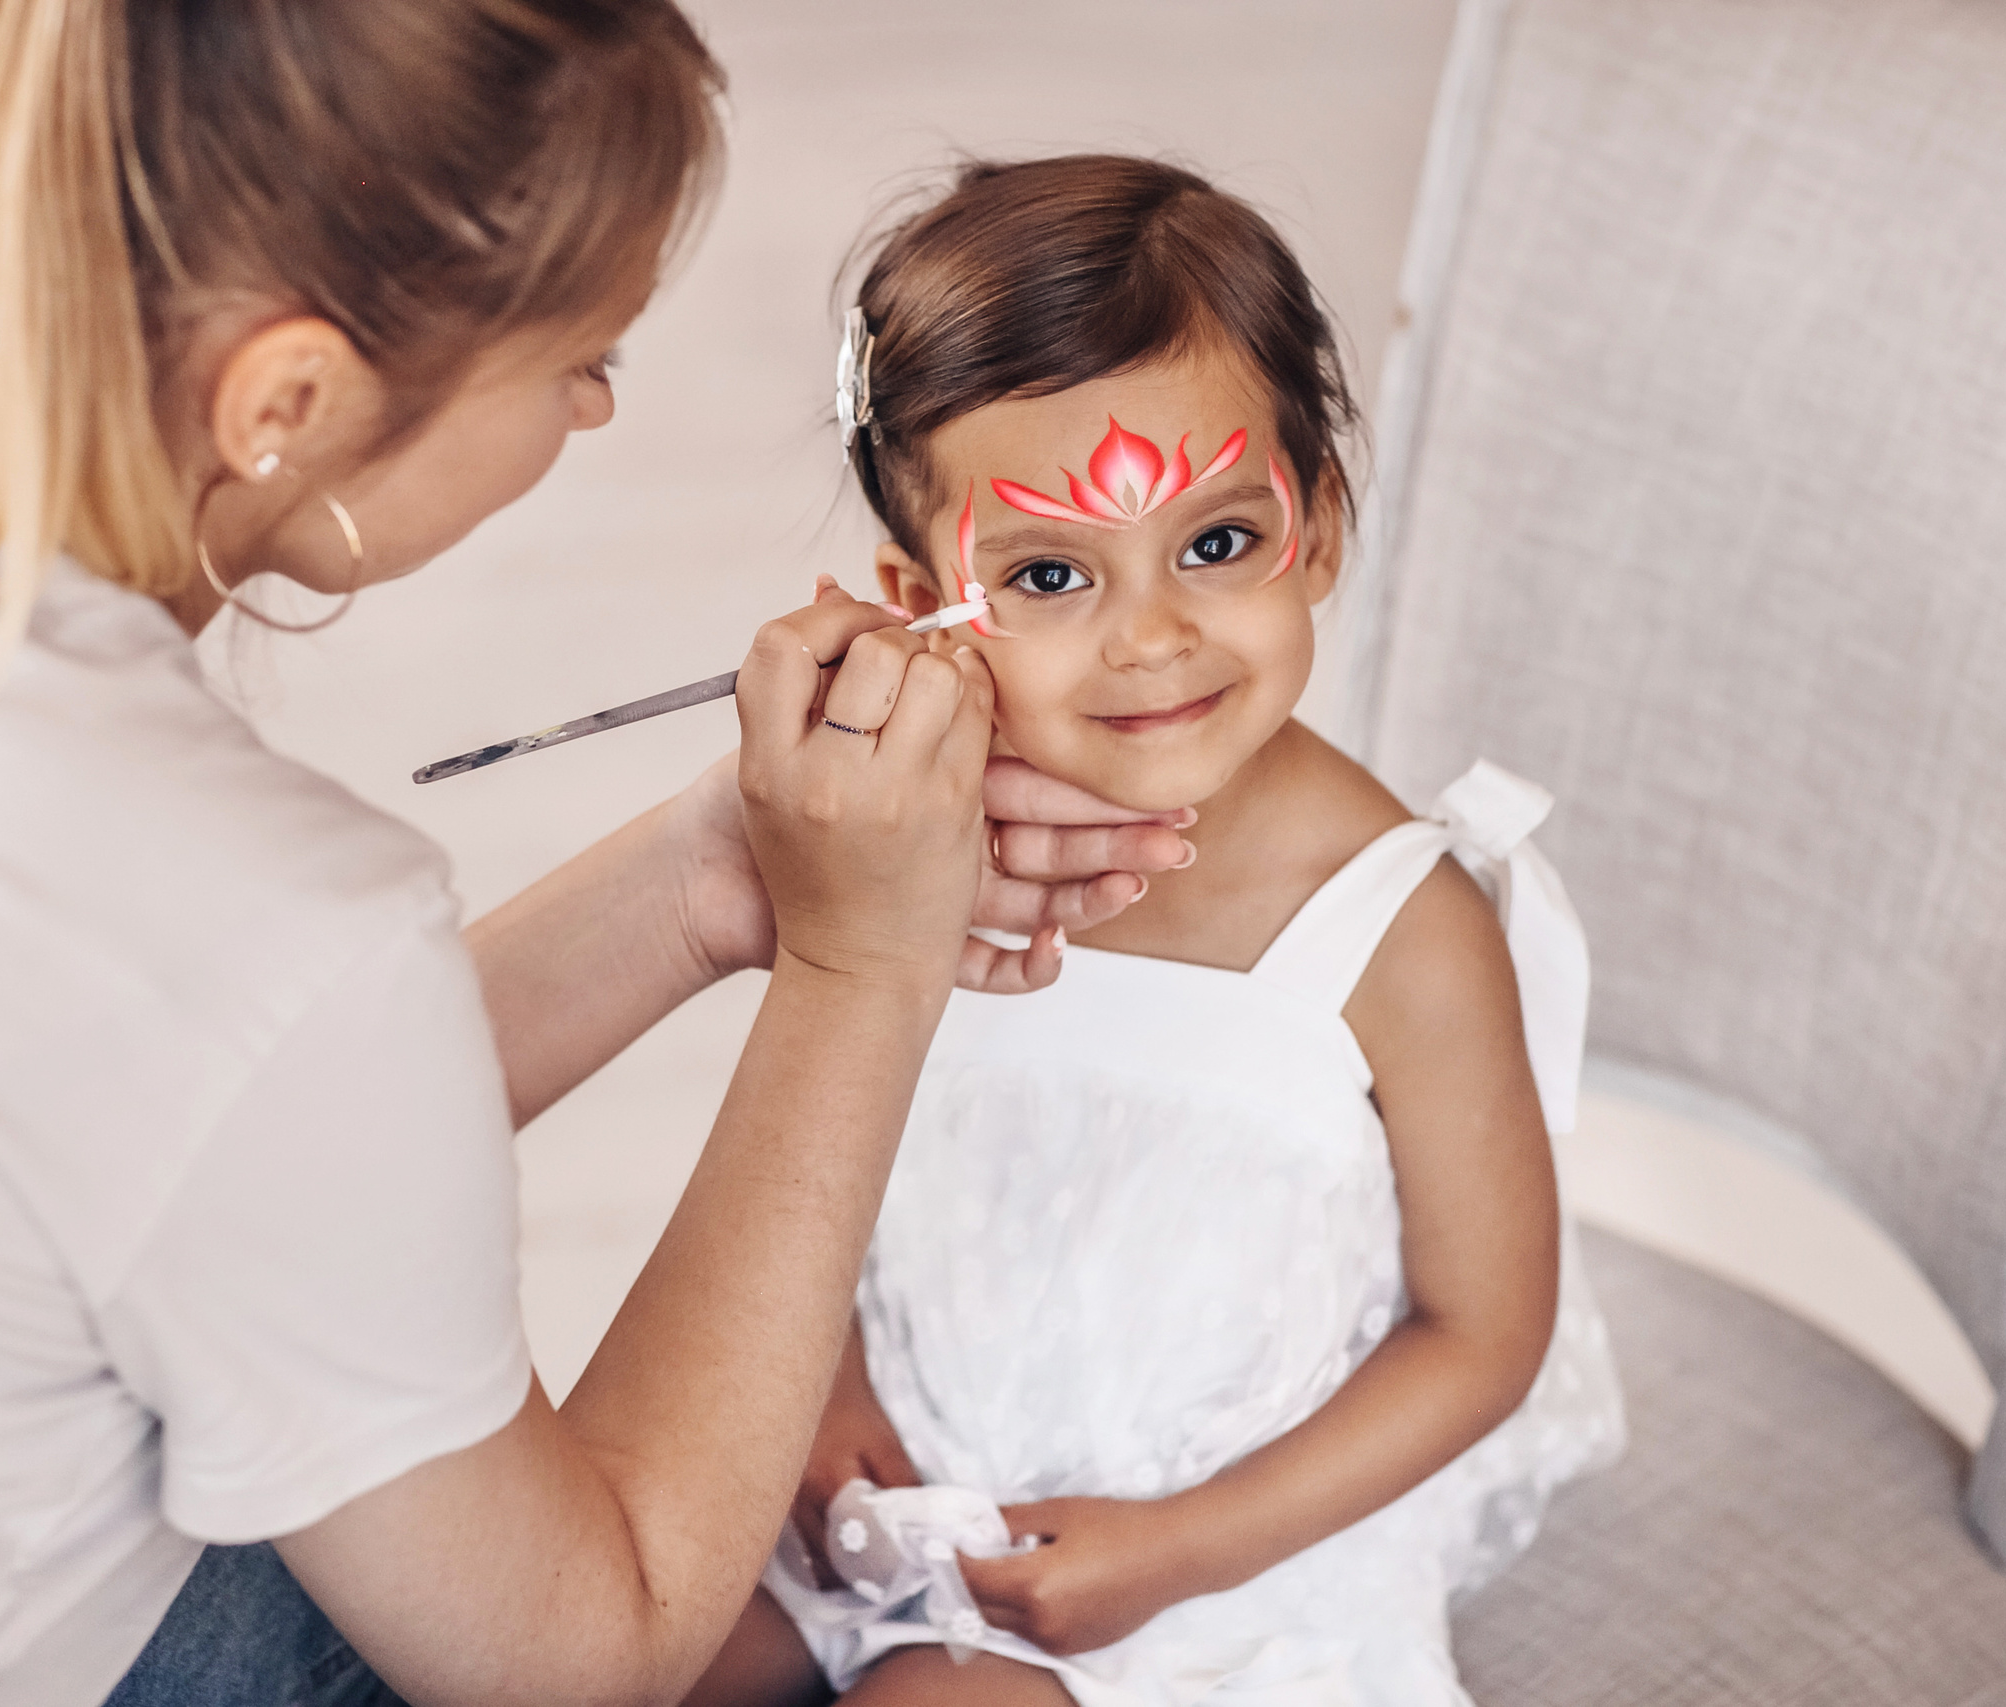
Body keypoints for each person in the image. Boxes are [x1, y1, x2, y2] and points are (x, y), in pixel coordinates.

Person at [0, 9, 1191, 1706]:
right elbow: (586, 1647)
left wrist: (712, 880)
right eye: (579, 352)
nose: (598, 404)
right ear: (288, 400)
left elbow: (192, 1115)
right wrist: (857, 968)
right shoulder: (246, 910)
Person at [684, 156, 1628, 1707]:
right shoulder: (913, 850)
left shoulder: (1402, 931)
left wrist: (1181, 1548)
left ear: (1319, 528)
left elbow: (1481, 1338)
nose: (1151, 636)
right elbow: (831, 1152)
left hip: (1204, 1561)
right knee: (610, 1645)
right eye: (1052, 573)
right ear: (924, 605)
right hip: (906, 1464)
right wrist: (829, 1379)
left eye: (1216, 544)